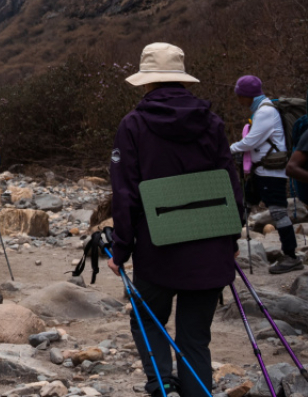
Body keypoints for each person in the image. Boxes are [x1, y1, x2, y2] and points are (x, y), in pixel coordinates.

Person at [109, 42, 241, 397]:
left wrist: (120, 251)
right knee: (194, 338)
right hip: (211, 245)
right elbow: (231, 184)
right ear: (182, 79)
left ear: (146, 82)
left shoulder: (133, 125)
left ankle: (162, 384)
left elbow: (125, 195)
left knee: (146, 318)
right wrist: (232, 241)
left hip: (158, 250)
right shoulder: (212, 122)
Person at [230, 74, 301, 274]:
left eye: (240, 96)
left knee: (278, 212)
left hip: (271, 173)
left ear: (248, 96)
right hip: (263, 171)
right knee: (243, 204)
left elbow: (251, 141)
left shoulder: (265, 112)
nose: (238, 100)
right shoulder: (263, 109)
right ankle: (228, 244)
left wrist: (229, 148)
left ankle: (291, 256)